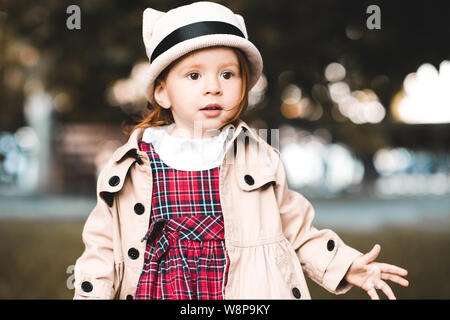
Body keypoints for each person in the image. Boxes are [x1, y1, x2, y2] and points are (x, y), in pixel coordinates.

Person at [73, 1, 408, 300]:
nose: (213, 87)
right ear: (162, 93)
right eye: (193, 75)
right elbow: (103, 251)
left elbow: (298, 232)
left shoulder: (260, 159)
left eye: (227, 74)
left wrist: (346, 265)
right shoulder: (130, 168)